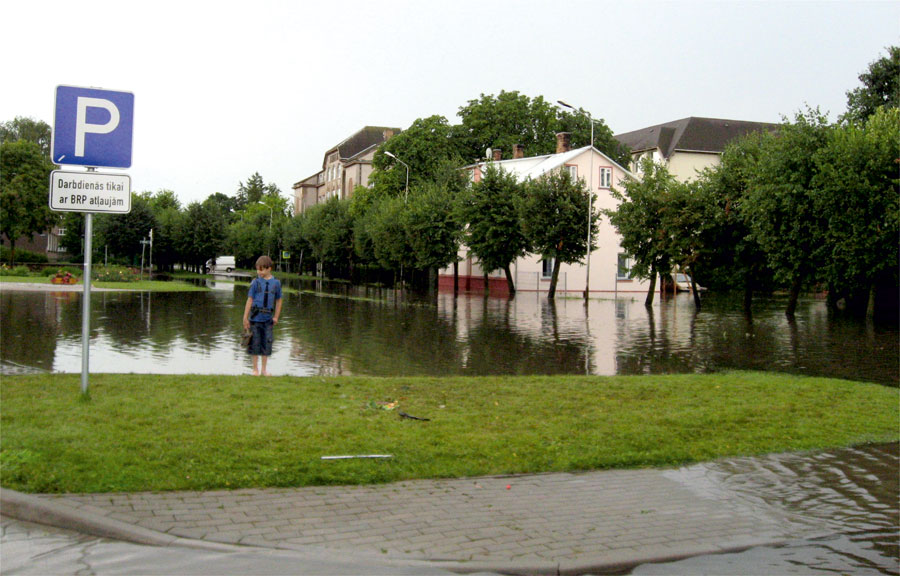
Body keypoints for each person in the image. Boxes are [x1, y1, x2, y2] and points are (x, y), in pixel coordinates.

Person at [243, 255, 283, 376]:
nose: (259, 272)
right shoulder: (255, 283)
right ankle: (255, 369)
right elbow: (250, 299)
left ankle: (264, 370)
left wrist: (276, 316)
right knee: (254, 343)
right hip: (255, 318)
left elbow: (279, 300)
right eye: (257, 269)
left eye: (261, 269)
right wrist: (245, 317)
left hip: (268, 319)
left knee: (267, 343)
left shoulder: (276, 283)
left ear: (269, 269)